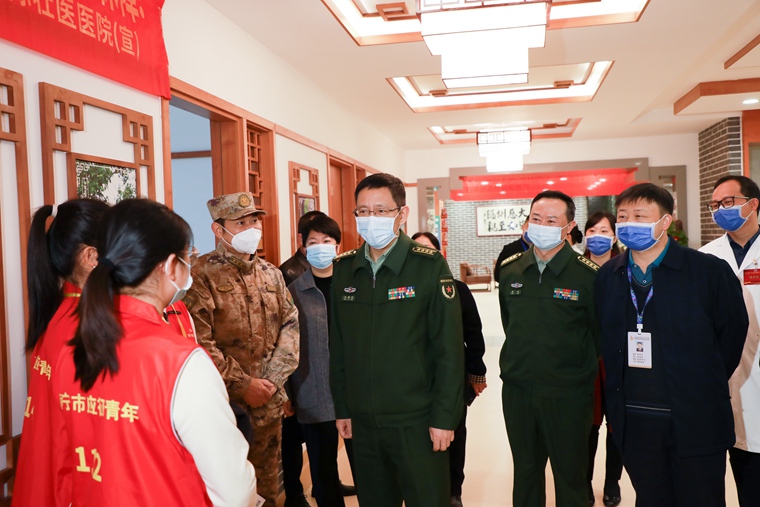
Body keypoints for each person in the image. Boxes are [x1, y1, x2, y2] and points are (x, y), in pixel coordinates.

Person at [50, 198, 256, 506]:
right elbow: (235, 491)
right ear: (170, 266)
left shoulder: (72, 346)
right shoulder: (183, 362)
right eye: (188, 257)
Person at [596, 182, 748, 506]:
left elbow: (733, 333)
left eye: (639, 215)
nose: (628, 223)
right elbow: (604, 338)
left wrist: (703, 382)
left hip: (696, 419)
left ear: (665, 221)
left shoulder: (707, 271)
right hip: (635, 422)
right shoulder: (608, 275)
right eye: (622, 216)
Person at [330, 173, 464, 507]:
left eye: (381, 210)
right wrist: (343, 407)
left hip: (417, 420)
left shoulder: (428, 265)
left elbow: (448, 349)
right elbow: (339, 346)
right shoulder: (344, 269)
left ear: (402, 214)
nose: (370, 218)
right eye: (363, 211)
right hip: (364, 423)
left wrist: (444, 417)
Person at [184, 191, 299, 507]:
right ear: (218, 229)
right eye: (240, 223)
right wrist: (243, 385)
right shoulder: (199, 274)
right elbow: (198, 342)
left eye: (254, 221)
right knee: (228, 490)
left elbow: (290, 327)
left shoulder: (272, 273)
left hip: (269, 403)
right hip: (226, 407)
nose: (251, 229)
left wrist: (272, 381)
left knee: (267, 487)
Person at [498, 190, 599, 507]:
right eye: (536, 219)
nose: (541, 226)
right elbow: (509, 323)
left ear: (569, 227)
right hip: (518, 391)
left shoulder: (587, 275)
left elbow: (598, 334)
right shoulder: (511, 269)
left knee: (571, 475)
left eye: (552, 220)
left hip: (568, 394)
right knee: (525, 474)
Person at [12, 199, 109, 507]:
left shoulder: (63, 312)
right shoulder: (87, 330)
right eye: (118, 246)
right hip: (73, 486)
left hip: (50, 479)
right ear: (91, 257)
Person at [412, 231, 487, 507]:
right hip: (415, 381)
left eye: (429, 250)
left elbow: (473, 334)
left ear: (439, 255)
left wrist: (476, 374)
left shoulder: (456, 289)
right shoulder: (403, 292)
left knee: (454, 434)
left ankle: (454, 490)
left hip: (452, 379)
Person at [287, 213, 357, 507]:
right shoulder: (294, 292)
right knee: (324, 472)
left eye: (326, 241)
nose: (320, 247)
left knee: (367, 467)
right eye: (313, 242)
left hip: (356, 393)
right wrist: (289, 393)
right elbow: (286, 347)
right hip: (313, 393)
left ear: (338, 246)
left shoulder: (356, 284)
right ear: (303, 247)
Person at [700, 175, 760, 507]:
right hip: (724, 378)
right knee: (741, 470)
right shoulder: (706, 257)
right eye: (715, 205)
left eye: (728, 202)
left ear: (753, 204)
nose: (720, 210)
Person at [582, 211, 623, 507]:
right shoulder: (576, 268)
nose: (597, 236)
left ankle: (612, 482)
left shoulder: (627, 267)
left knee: (616, 424)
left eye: (604, 230)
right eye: (592, 230)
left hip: (618, 357)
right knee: (588, 425)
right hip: (585, 359)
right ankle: (584, 481)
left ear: (614, 235)